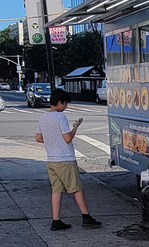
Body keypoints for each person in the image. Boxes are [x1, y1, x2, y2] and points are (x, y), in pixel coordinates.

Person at [34, 88, 102, 232]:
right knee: (76, 188)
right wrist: (75, 127)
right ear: (59, 103)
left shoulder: (43, 117)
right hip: (65, 159)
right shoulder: (60, 117)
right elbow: (68, 138)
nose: (66, 107)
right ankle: (86, 217)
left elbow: (39, 138)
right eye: (65, 104)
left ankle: (56, 220)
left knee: (56, 190)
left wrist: (52, 140)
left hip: (51, 160)